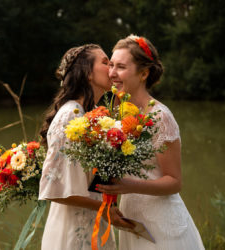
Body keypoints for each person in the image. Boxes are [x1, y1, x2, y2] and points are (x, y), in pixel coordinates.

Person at [97, 35, 205, 249]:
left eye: (121, 67)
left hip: (162, 227)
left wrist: (129, 186)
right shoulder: (114, 114)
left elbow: (174, 181)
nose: (112, 73)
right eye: (111, 65)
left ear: (144, 73)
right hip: (132, 223)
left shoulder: (160, 116)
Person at [38, 44, 133, 250]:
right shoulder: (70, 115)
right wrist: (104, 209)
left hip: (92, 224)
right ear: (87, 72)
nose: (111, 69)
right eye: (105, 62)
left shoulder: (86, 115)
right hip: (75, 232)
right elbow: (52, 189)